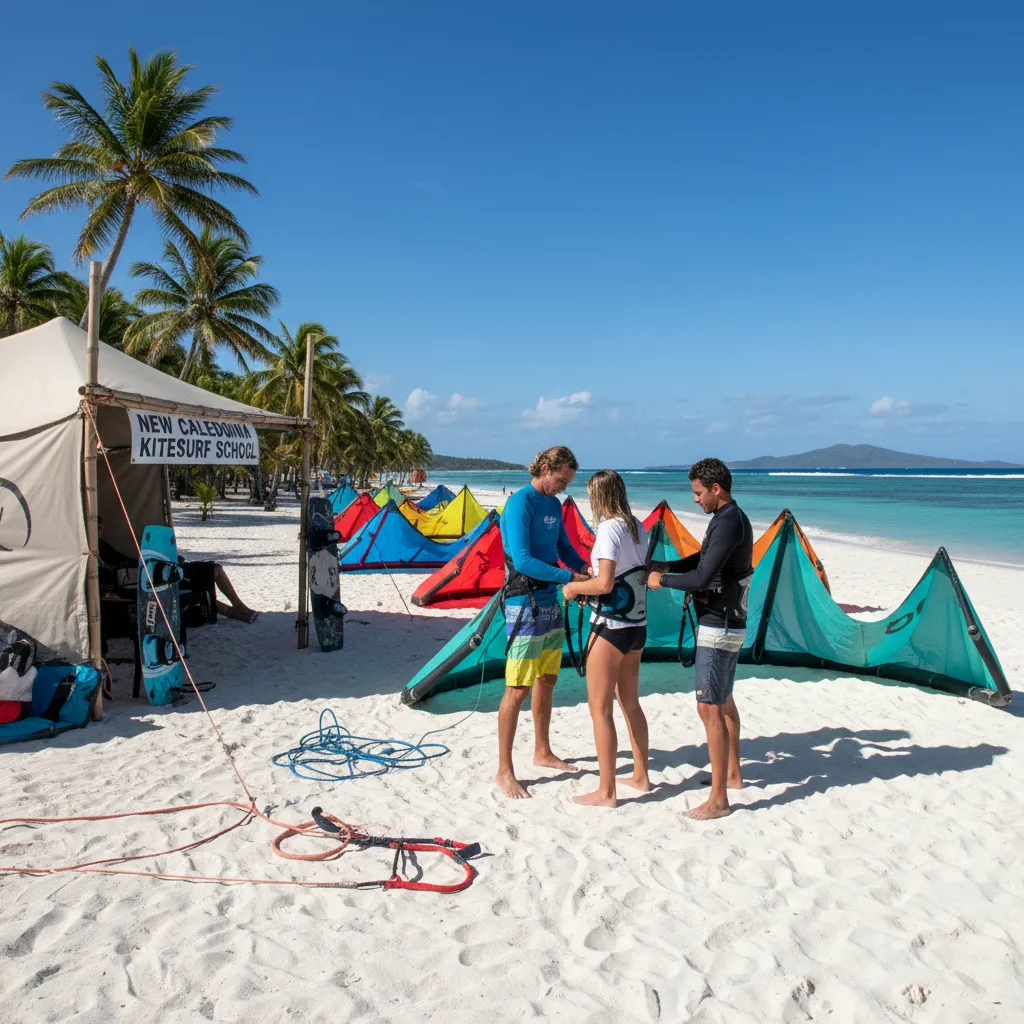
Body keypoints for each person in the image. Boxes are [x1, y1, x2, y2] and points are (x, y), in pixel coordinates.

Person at [648, 458, 753, 820]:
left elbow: (703, 579)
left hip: (719, 624)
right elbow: (703, 560)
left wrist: (662, 581)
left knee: (709, 707)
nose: (695, 500)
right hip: (728, 622)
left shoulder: (728, 522)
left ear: (716, 489)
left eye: (698, 493)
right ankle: (733, 775)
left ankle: (719, 800)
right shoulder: (727, 519)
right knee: (723, 701)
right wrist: (670, 566)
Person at [496, 445, 591, 799]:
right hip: (524, 601)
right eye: (562, 479)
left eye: (568, 482)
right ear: (547, 468)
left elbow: (563, 547)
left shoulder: (554, 504)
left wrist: (583, 569)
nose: (564, 487)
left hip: (551, 600)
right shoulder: (521, 503)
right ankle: (504, 770)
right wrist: (569, 578)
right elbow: (521, 560)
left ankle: (542, 750)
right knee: (517, 688)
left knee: (547, 679)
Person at [562, 470, 651, 808]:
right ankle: (641, 775)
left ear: (598, 496)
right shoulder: (637, 526)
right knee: (630, 702)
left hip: (610, 628)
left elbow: (605, 585)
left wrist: (572, 588)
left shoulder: (609, 528)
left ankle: (606, 791)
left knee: (600, 709)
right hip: (637, 628)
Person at [96, 517, 259, 625]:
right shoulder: (93, 551)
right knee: (206, 577)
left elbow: (126, 560)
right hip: (142, 580)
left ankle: (237, 608)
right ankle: (234, 610)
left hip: (148, 573)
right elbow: (115, 569)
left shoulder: (102, 545)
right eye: (96, 527)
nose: (99, 530)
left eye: (101, 526)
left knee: (209, 574)